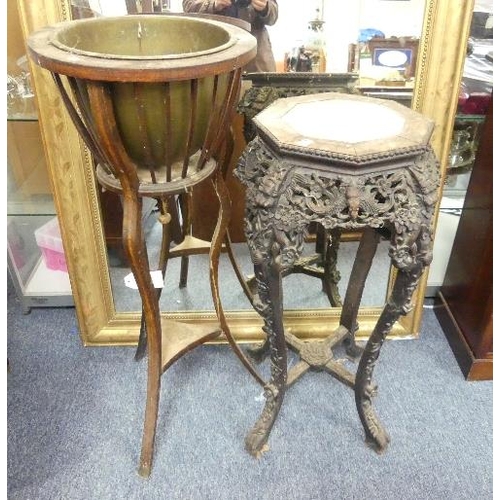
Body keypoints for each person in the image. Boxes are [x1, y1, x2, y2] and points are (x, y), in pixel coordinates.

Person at [182, 0, 278, 72]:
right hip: (214, 53)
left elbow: (273, 15)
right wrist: (214, 3)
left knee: (260, 96)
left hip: (255, 58)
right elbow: (189, 7)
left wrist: (265, 7)